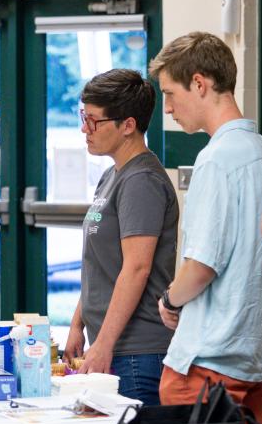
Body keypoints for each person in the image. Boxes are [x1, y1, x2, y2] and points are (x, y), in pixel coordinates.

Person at [148, 32, 262, 424]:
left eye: (171, 94)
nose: (168, 108)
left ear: (200, 84)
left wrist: (169, 301)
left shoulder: (215, 159)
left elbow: (200, 264)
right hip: (253, 353)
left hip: (208, 358)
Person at [63, 68, 179, 406]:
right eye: (83, 117)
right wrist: (77, 324)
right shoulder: (112, 176)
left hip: (136, 353)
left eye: (94, 121)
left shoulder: (141, 181)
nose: (85, 129)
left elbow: (136, 269)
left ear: (128, 125)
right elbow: (103, 265)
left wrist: (104, 345)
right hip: (114, 345)